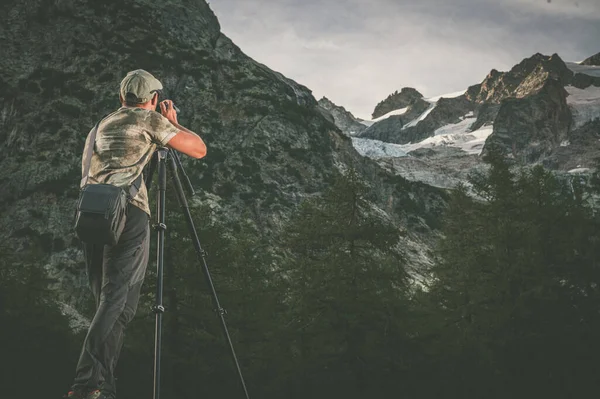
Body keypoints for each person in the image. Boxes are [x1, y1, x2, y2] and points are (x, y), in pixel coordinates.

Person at [65, 69, 207, 399]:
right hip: (128, 213)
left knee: (116, 305)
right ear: (153, 99)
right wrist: (172, 121)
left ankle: (100, 386)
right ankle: (83, 382)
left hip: (91, 213)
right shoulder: (148, 120)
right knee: (117, 300)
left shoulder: (99, 126)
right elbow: (198, 149)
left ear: (121, 97)